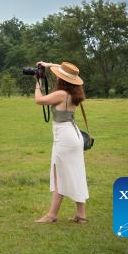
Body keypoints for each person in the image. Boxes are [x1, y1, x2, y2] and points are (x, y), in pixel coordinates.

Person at [33, 60, 89, 224]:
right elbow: (64, 70)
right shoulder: (73, 93)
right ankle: (81, 215)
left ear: (62, 80)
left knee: (59, 176)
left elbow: (39, 100)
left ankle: (52, 215)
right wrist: (48, 65)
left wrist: (37, 83)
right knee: (76, 173)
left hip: (64, 137)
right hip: (74, 135)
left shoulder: (61, 94)